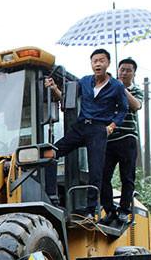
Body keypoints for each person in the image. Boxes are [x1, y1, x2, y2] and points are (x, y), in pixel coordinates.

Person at [44, 48, 129, 218]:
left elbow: (123, 109)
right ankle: (50, 196)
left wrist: (111, 126)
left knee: (96, 170)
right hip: (81, 126)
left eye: (101, 60)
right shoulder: (84, 82)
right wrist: (54, 88)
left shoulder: (117, 86)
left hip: (99, 129)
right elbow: (65, 98)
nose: (98, 64)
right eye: (95, 61)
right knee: (50, 152)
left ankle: (90, 210)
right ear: (91, 64)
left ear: (108, 63)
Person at [99, 57, 144, 228]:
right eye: (121, 69)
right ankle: (109, 210)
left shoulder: (136, 90)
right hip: (109, 139)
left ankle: (124, 210)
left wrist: (121, 88)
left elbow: (136, 105)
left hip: (128, 139)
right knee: (103, 177)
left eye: (128, 70)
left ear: (133, 73)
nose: (124, 73)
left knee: (127, 177)